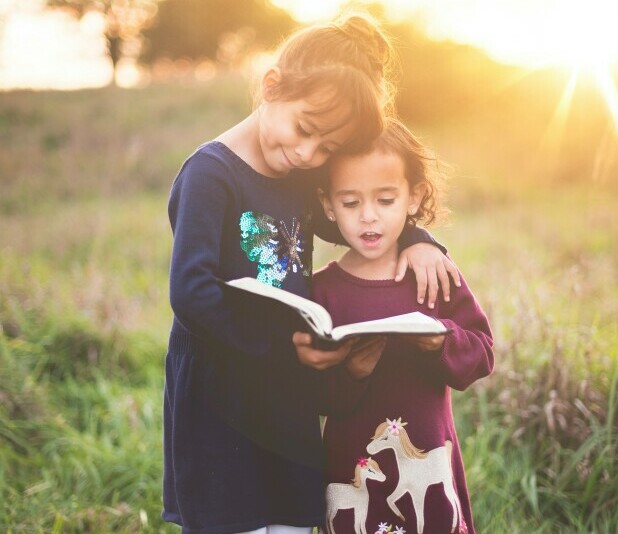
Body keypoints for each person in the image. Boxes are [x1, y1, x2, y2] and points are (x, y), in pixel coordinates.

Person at [163, 14, 460, 534]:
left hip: (286, 392)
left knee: (292, 519)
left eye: (326, 148)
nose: (308, 154)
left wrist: (418, 239)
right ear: (271, 85)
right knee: (233, 521)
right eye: (305, 130)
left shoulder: (298, 177)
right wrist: (283, 346)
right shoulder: (211, 175)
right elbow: (190, 292)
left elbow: (360, 222)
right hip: (220, 394)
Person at [314, 118, 494, 534]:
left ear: (413, 197)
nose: (369, 217)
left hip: (427, 458)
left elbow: (483, 352)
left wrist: (441, 342)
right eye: (351, 203)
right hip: (350, 463)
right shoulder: (321, 291)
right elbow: (310, 393)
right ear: (328, 205)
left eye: (385, 199)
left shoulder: (433, 274)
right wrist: (352, 372)